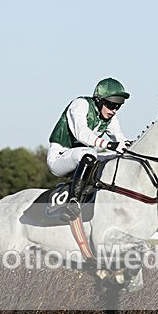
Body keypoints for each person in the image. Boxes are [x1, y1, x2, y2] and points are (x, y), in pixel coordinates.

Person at [47, 77, 130, 220]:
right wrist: (108, 145)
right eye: (111, 105)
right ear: (99, 100)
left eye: (118, 106)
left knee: (115, 158)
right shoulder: (80, 104)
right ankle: (73, 202)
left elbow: (120, 139)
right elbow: (81, 134)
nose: (114, 110)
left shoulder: (110, 119)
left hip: (82, 157)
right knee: (90, 153)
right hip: (60, 156)